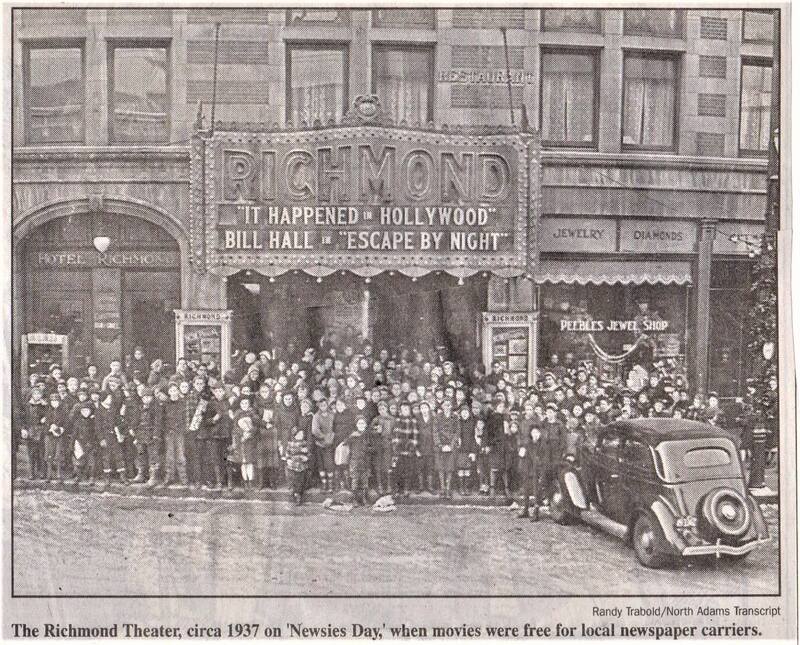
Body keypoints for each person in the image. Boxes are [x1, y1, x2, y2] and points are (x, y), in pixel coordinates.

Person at [161, 382, 187, 487]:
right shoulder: (165, 404)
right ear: (168, 392)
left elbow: (185, 418)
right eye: (171, 391)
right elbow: (162, 419)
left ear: (178, 391)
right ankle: (169, 477)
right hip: (169, 433)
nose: (173, 393)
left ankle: (183, 478)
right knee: (169, 456)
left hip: (179, 433)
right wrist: (166, 430)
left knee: (181, 455)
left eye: (175, 390)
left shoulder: (182, 403)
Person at [433, 398, 459, 498]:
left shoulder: (455, 417)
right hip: (440, 447)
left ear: (451, 406)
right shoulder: (437, 417)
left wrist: (451, 445)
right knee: (441, 468)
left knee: (450, 468)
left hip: (451, 446)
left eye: (449, 405)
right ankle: (442, 488)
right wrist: (440, 445)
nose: (447, 407)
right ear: (442, 406)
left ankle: (448, 489)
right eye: (445, 405)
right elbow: (435, 432)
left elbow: (457, 432)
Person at [391, 401, 418, 497]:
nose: (404, 411)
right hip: (399, 449)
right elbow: (395, 435)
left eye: (406, 409)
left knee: (408, 470)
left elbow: (415, 436)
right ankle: (398, 489)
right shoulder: (397, 420)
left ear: (409, 410)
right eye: (402, 409)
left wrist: (411, 448)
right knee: (397, 470)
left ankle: (407, 489)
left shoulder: (412, 420)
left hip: (408, 449)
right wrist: (395, 447)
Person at [23, 386, 48, 480]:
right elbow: (24, 418)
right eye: (35, 394)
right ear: (32, 395)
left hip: (41, 431)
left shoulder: (45, 405)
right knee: (31, 453)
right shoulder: (27, 405)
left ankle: (42, 472)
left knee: (42, 452)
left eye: (39, 394)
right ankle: (31, 473)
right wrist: (24, 429)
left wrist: (46, 417)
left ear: (41, 395)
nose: (37, 396)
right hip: (31, 430)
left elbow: (50, 415)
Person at [311, 397, 335, 493]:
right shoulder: (316, 416)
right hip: (320, 444)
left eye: (325, 405)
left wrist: (331, 437)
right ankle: (324, 483)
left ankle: (330, 484)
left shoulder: (332, 415)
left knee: (329, 464)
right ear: (319, 406)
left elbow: (335, 427)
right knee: (321, 464)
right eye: (321, 405)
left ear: (327, 405)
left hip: (330, 444)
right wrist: (324, 437)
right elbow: (315, 430)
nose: (323, 407)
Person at [44, 392, 68, 481]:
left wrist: (60, 428)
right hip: (49, 435)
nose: (55, 403)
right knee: (49, 454)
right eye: (53, 401)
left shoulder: (63, 411)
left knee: (58, 454)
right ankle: (49, 474)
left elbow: (66, 423)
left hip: (59, 435)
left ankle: (59, 473)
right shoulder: (47, 411)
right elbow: (44, 423)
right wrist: (50, 428)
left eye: (56, 401)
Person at [346, 416, 370, 505]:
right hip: (355, 460)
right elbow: (347, 445)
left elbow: (372, 447)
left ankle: (364, 499)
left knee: (365, 479)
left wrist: (367, 449)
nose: (361, 425)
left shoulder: (368, 435)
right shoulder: (353, 436)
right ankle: (354, 499)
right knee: (355, 479)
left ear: (366, 425)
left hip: (365, 460)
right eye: (359, 423)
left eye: (363, 423)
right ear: (356, 425)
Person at [285, 427, 310, 504]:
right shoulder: (290, 443)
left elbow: (308, 453)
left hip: (301, 465)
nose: (302, 435)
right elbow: (287, 453)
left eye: (302, 434)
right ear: (295, 435)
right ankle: (294, 492)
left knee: (300, 480)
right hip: (293, 465)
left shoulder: (304, 443)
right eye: (300, 434)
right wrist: (288, 459)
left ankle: (298, 494)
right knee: (293, 479)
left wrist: (307, 457)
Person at [416, 400, 436, 493]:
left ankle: (430, 487)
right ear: (420, 409)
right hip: (420, 447)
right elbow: (414, 434)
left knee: (430, 467)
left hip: (431, 447)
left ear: (429, 408)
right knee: (420, 467)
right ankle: (420, 487)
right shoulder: (417, 418)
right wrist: (416, 448)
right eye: (422, 408)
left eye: (425, 407)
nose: (424, 410)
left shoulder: (433, 418)